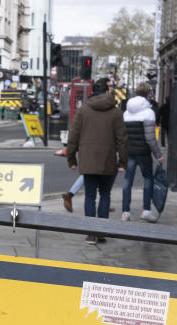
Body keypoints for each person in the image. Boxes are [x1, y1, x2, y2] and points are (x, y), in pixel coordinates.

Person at [65, 77, 128, 245]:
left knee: (90, 196)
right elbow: (122, 140)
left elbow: (73, 137)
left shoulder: (84, 110)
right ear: (107, 91)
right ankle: (101, 232)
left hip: (87, 160)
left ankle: (91, 234)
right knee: (105, 194)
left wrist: (71, 158)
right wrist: (122, 162)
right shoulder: (116, 112)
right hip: (108, 160)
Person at [121, 83, 164, 223]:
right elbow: (151, 138)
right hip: (144, 153)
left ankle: (125, 212)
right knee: (148, 179)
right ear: (148, 94)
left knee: (128, 181)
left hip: (129, 151)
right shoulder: (148, 113)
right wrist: (158, 155)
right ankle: (146, 210)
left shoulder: (126, 113)